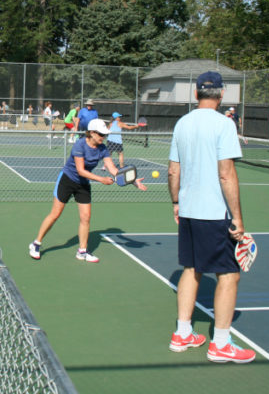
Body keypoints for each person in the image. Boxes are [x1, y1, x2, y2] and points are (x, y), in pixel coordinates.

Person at [167, 71, 255, 364]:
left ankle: (182, 334)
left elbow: (173, 171)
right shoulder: (224, 124)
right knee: (229, 275)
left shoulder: (182, 124)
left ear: (196, 94)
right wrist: (238, 219)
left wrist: (177, 202)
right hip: (214, 214)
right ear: (221, 94)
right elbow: (226, 173)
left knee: (191, 269)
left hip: (190, 212)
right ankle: (220, 343)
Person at [29, 119, 147, 263]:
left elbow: (113, 169)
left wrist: (133, 181)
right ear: (91, 133)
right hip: (67, 180)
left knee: (86, 217)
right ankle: (36, 244)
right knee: (55, 214)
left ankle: (82, 251)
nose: (103, 137)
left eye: (104, 134)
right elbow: (80, 170)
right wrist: (101, 180)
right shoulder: (80, 145)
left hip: (83, 185)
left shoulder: (102, 148)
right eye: (101, 134)